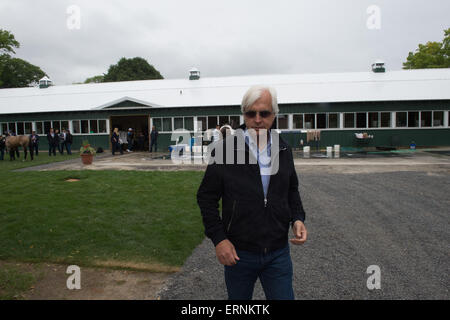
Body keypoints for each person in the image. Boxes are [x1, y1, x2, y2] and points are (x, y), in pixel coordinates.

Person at [197, 85, 307, 300]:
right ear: (244, 115)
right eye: (251, 113)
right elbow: (206, 198)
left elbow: (291, 189)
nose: (258, 119)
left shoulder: (283, 149)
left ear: (274, 115)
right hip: (239, 253)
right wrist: (219, 239)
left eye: (264, 113)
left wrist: (297, 218)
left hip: (278, 253)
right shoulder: (224, 150)